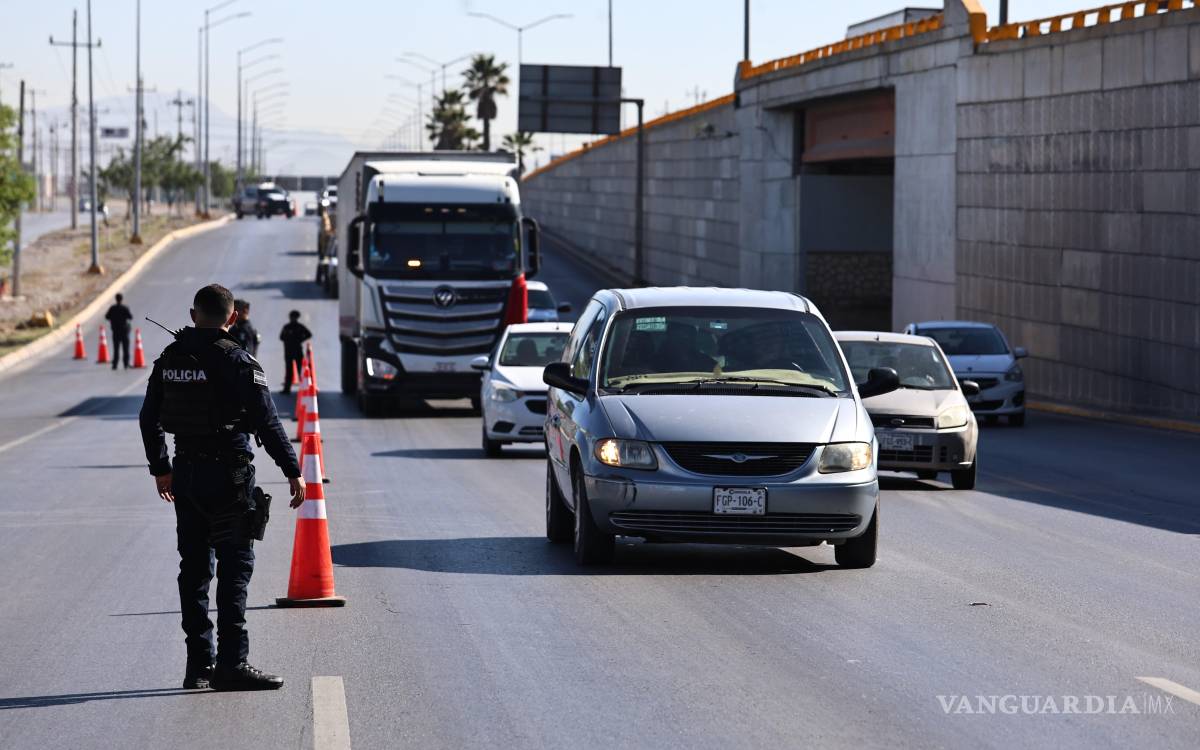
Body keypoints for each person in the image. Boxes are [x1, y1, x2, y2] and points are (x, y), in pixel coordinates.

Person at [139, 284, 305, 692]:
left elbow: (149, 419)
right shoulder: (240, 362)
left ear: (193, 314)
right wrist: (292, 469)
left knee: (193, 571)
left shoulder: (169, 360)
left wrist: (162, 468)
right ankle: (233, 663)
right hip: (229, 477)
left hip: (186, 475)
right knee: (235, 569)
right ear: (232, 318)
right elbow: (267, 422)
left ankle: (198, 666)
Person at [279, 310, 312, 394]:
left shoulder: (299, 327)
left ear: (296, 318)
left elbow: (309, 334)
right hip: (289, 351)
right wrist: (290, 340)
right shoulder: (287, 327)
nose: (292, 319)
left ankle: (304, 388)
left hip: (297, 351)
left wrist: (300, 340)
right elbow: (281, 337)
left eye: (294, 317)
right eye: (292, 317)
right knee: (289, 371)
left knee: (300, 370)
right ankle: (287, 389)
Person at [105, 293, 133, 370]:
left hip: (115, 332)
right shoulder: (125, 308)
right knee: (125, 349)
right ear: (121, 299)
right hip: (124, 331)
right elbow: (130, 317)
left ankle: (115, 364)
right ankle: (126, 364)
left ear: (116, 299)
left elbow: (107, 317)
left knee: (116, 349)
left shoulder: (112, 308)